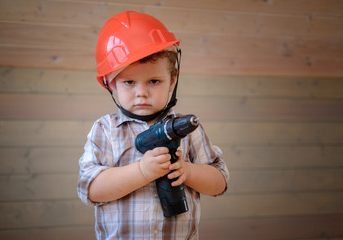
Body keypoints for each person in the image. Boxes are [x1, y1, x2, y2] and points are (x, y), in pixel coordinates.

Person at [77, 11, 229, 239]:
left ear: (172, 80)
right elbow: (91, 190)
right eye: (129, 82)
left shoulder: (186, 130)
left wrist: (188, 171)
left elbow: (219, 183)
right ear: (111, 83)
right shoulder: (106, 129)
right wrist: (142, 171)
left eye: (154, 81)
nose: (142, 93)